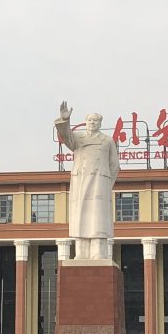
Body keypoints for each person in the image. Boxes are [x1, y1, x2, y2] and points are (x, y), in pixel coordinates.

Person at [54, 101, 121, 260]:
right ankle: (81, 251)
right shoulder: (78, 138)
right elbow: (66, 136)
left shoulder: (107, 140)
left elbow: (114, 165)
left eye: (95, 120)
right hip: (81, 181)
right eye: (90, 120)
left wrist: (107, 184)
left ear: (100, 123)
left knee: (98, 217)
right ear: (86, 122)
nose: (92, 123)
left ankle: (98, 251)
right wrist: (65, 120)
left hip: (100, 182)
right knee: (81, 216)